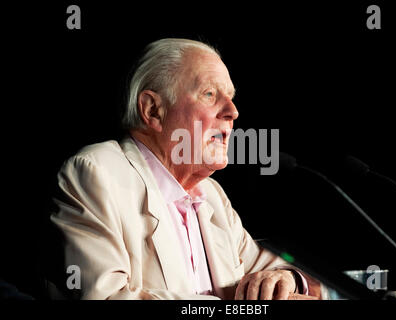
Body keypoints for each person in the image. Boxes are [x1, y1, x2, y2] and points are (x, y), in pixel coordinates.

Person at [48, 38, 324, 300]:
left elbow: (285, 270)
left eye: (230, 97)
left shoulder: (211, 195)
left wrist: (287, 279)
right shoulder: (96, 173)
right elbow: (104, 296)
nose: (232, 111)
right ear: (153, 110)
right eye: (210, 94)